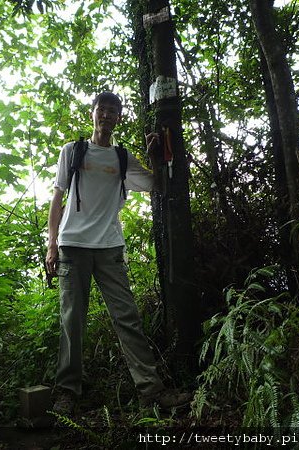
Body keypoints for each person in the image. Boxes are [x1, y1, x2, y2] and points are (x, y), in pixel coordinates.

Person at [45, 91, 191, 415]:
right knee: (72, 322)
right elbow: (58, 198)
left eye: (113, 111)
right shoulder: (73, 151)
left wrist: (155, 153)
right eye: (102, 109)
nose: (107, 115)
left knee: (127, 318)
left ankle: (151, 392)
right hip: (73, 246)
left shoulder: (122, 158)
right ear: (92, 113)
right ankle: (67, 393)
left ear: (118, 118)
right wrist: (51, 244)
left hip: (110, 247)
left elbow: (157, 185)